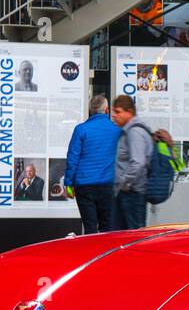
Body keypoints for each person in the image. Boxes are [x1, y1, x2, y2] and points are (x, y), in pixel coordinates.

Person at [63, 95, 121, 233]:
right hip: (107, 185)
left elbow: (72, 158)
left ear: (90, 110)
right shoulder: (117, 130)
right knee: (106, 227)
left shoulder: (81, 129)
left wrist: (69, 185)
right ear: (107, 110)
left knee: (89, 227)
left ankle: (91, 253)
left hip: (84, 186)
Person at [111, 95, 152, 230]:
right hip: (129, 193)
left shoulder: (134, 132)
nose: (114, 116)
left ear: (129, 112)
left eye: (118, 112)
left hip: (132, 194)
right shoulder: (129, 131)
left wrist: (125, 184)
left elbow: (138, 162)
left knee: (132, 237)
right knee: (121, 236)